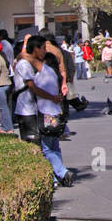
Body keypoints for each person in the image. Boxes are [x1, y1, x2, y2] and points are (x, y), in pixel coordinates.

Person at [14, 34, 74, 187]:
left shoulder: (43, 70)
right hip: (35, 112)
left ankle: (59, 173)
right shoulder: (35, 68)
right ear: (35, 49)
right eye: (43, 48)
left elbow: (34, 87)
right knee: (50, 146)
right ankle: (58, 175)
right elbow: (33, 87)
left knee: (45, 147)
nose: (45, 51)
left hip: (42, 113)